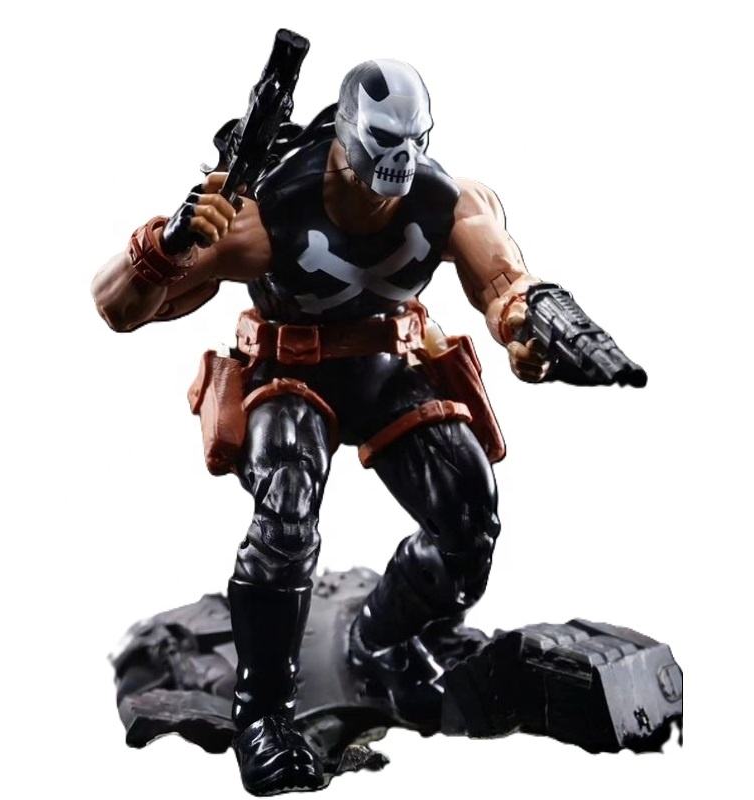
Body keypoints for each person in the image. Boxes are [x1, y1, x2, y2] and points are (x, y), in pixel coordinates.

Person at [93, 59, 550, 795]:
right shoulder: (266, 213)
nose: (399, 163)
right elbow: (118, 307)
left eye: (413, 143)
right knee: (284, 516)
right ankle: (263, 714)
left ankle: (383, 642)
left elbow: (503, 284)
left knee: (469, 516)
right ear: (346, 135)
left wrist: (528, 327)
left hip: (385, 372)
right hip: (290, 377)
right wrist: (166, 244)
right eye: (384, 144)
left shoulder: (447, 201)